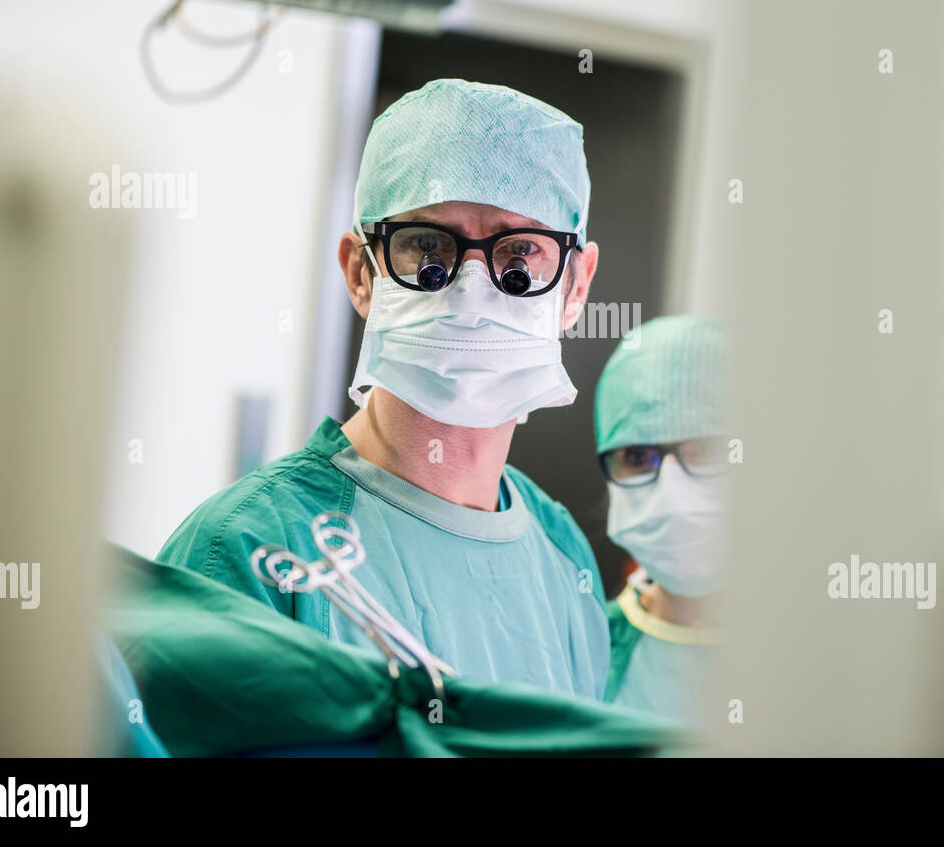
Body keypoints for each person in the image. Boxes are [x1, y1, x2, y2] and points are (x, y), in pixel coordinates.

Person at [157, 78, 609, 700]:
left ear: (575, 287)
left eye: (518, 256)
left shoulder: (563, 561)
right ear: (359, 272)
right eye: (428, 248)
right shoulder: (249, 552)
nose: (470, 295)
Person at [595, 315, 730, 723]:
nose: (672, 493)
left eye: (708, 449)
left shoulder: (831, 653)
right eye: (637, 457)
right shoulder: (586, 651)